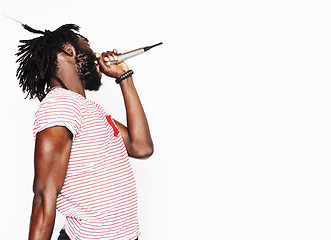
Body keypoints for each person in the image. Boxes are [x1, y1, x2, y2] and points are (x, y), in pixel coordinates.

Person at [16, 24, 153, 240]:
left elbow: (141, 147)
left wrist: (124, 76)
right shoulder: (60, 105)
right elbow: (44, 196)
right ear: (68, 49)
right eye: (87, 47)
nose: (96, 55)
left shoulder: (89, 109)